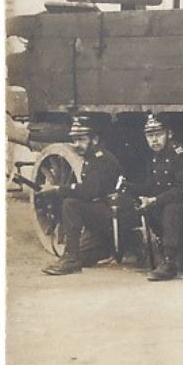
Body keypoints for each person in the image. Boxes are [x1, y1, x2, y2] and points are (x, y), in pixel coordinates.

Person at [40, 115, 124, 276]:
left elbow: (88, 192)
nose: (77, 145)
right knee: (84, 256)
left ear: (95, 139)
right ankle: (99, 249)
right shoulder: (92, 157)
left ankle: (71, 260)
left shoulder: (102, 160)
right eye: (75, 140)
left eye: (81, 139)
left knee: (71, 204)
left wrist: (59, 189)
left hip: (114, 216)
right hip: (104, 216)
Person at [132, 114, 183, 281]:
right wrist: (129, 187)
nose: (154, 140)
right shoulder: (154, 157)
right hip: (175, 211)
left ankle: (169, 262)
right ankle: (171, 251)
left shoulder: (181, 155)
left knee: (171, 208)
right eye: (150, 136)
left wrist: (153, 200)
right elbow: (152, 186)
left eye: (158, 134)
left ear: (169, 134)